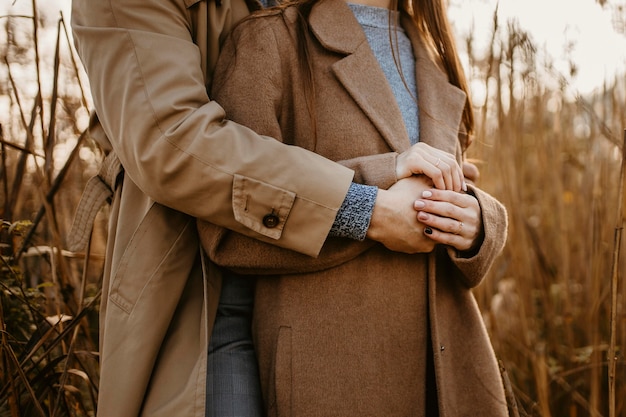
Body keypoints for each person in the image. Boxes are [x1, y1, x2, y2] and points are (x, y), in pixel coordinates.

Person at [69, 0, 475, 416]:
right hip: (201, 297)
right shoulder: (250, 29)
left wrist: (469, 212)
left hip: (349, 309)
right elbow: (172, 143)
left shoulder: (410, 43)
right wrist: (367, 207)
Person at [198, 0, 510, 415]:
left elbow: (457, 186)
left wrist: (478, 223)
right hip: (331, 370)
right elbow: (234, 217)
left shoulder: (435, 56)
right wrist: (376, 195)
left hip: (451, 373)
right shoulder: (269, 39)